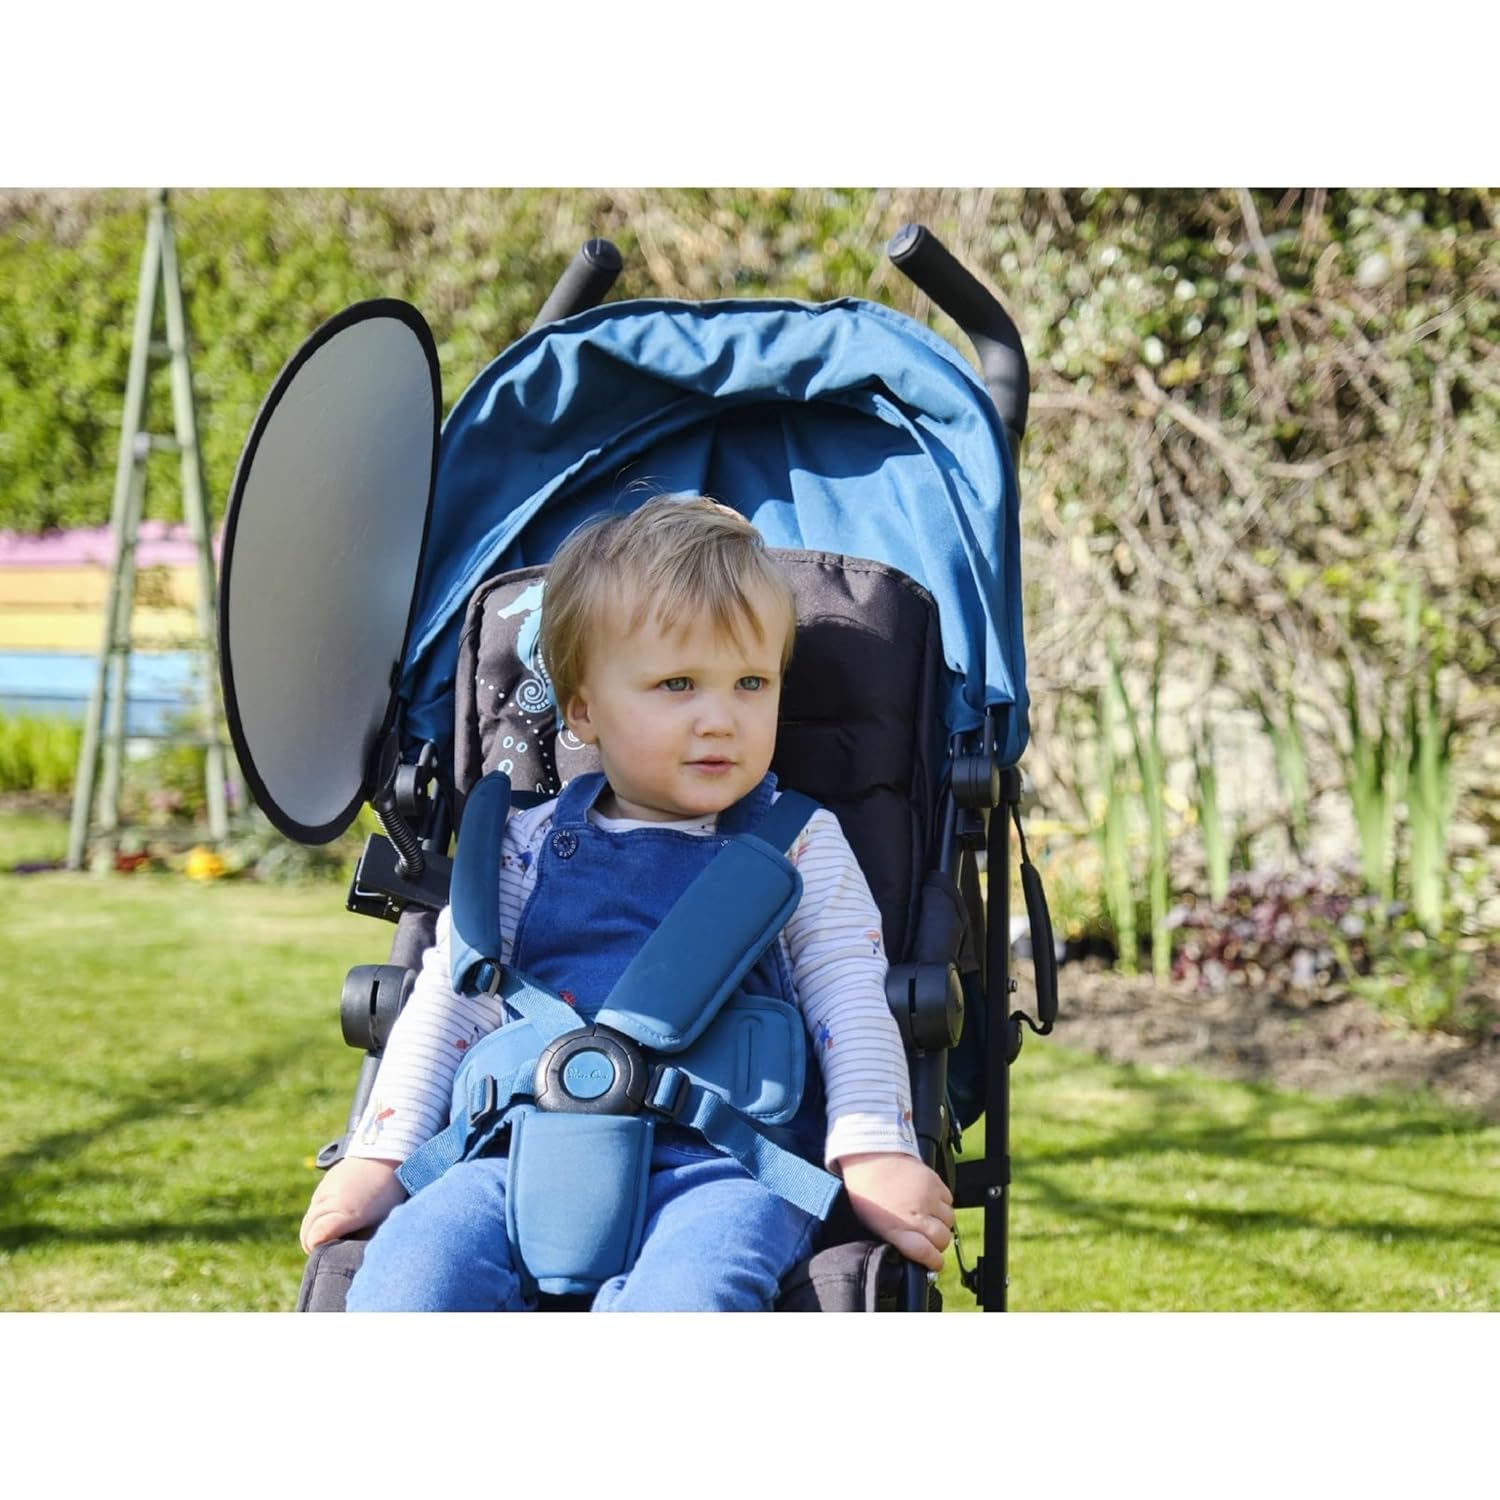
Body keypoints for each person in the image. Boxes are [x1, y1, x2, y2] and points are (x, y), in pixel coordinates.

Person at [300, 495, 955, 1310]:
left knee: (689, 1299)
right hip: (512, 1152)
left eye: (752, 683)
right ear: (583, 710)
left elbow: (849, 1000)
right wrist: (382, 1153)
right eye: (677, 684)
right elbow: (453, 998)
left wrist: (873, 1148)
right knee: (411, 1276)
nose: (721, 719)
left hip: (725, 1168)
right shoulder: (522, 842)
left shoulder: (798, 844)